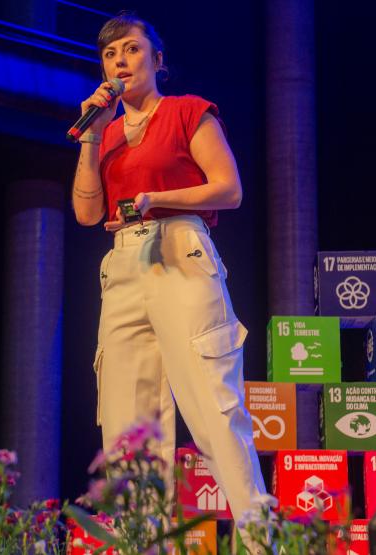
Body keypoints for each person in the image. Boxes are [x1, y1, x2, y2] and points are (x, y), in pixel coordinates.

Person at [71, 12, 268, 543]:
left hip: (181, 248)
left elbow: (228, 189)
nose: (120, 62)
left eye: (132, 51)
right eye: (111, 55)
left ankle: (262, 542)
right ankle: (142, 543)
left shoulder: (187, 112)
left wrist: (159, 199)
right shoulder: (107, 131)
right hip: (124, 264)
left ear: (158, 60)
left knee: (212, 409)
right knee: (126, 425)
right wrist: (91, 136)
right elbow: (87, 214)